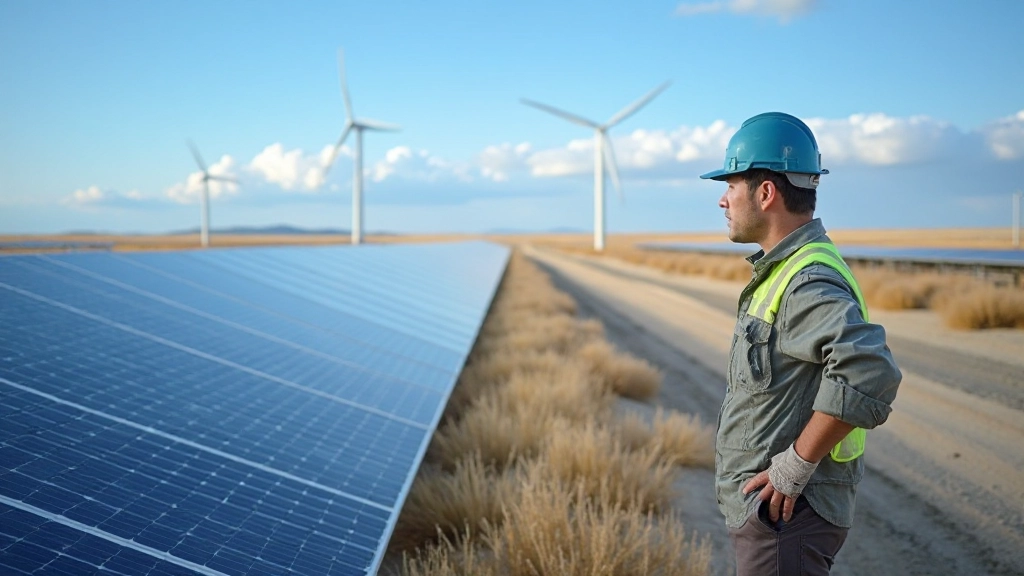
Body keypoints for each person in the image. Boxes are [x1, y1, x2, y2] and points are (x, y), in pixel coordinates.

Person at [699, 112, 902, 575]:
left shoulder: (805, 280)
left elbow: (869, 367)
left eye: (731, 185)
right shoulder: (788, 270)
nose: (722, 199)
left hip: (788, 516)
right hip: (776, 517)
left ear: (765, 192)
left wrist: (795, 464)